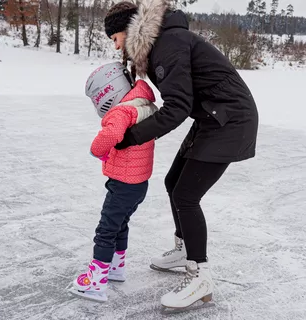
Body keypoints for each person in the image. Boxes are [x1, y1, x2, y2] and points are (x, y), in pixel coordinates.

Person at [104, 0, 259, 311]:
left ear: (127, 30)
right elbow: (181, 100)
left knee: (187, 195)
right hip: (213, 116)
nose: (115, 44)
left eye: (114, 37)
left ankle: (200, 277)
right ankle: (183, 248)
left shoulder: (167, 45)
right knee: (174, 182)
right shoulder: (160, 43)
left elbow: (176, 107)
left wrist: (131, 137)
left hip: (230, 120)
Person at [69, 61, 158, 302]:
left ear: (107, 91)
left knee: (106, 229)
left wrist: (97, 150)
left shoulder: (121, 111)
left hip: (122, 184)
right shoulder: (142, 105)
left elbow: (111, 134)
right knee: (121, 224)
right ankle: (116, 268)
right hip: (139, 184)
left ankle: (95, 282)